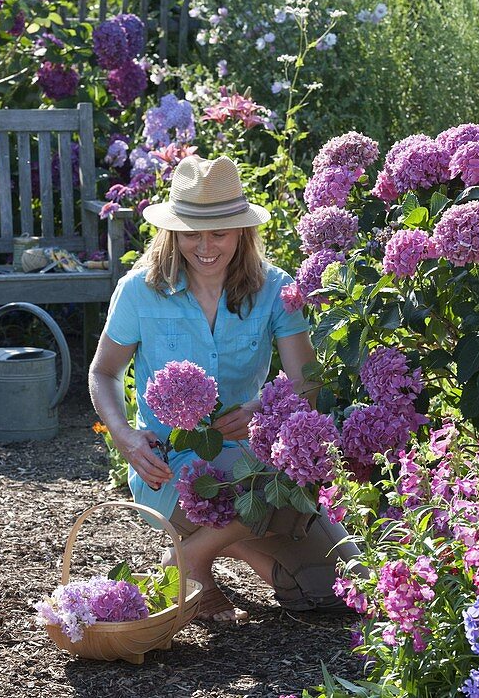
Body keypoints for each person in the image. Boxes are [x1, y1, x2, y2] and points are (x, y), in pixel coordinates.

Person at [89, 155, 357, 622]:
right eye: (192, 232)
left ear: (242, 232)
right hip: (171, 467)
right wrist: (125, 437)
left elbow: (306, 382)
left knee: (332, 586)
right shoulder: (140, 291)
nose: (205, 246)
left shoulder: (275, 289)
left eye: (220, 232)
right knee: (274, 515)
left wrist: (258, 410)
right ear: (173, 233)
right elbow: (103, 373)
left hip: (256, 465)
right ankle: (202, 557)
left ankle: (202, 552)